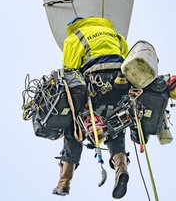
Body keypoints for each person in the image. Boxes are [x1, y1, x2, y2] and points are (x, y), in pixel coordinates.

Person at [52, 16, 131, 199]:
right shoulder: (115, 35)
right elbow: (127, 61)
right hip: (120, 83)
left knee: (74, 128)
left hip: (94, 84)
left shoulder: (74, 37)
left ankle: (64, 182)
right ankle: (121, 168)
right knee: (116, 127)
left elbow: (69, 72)